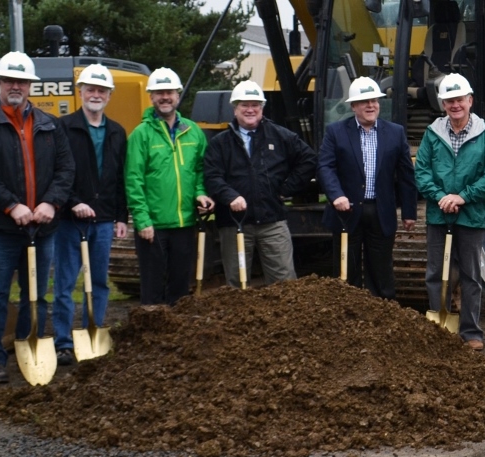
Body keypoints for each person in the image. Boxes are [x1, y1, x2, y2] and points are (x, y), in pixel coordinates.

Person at [0, 52, 74, 383]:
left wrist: (51, 203)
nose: (15, 86)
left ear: (30, 86)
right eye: (9, 80)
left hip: (43, 227)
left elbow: (66, 169)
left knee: (35, 293)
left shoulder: (49, 124)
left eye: (21, 81)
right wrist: (12, 205)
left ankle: (28, 344)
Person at [415, 73, 485, 351]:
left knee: (470, 275)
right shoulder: (432, 134)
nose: (455, 105)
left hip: (471, 215)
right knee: (435, 273)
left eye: (459, 100)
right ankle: (438, 327)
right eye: (449, 100)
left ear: (470, 100)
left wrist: (462, 197)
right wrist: (441, 197)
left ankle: (471, 332)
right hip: (439, 214)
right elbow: (422, 172)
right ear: (443, 104)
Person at [204, 80, 317, 288]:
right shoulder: (220, 143)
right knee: (237, 283)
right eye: (244, 105)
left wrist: (286, 189)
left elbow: (309, 159)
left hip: (272, 220)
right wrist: (230, 196)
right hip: (234, 223)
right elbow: (212, 177)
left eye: (255, 105)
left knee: (284, 282)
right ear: (235, 108)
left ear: (262, 108)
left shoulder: (280, 135)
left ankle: (283, 320)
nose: (250, 110)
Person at [52, 64, 128, 366]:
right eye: (90, 89)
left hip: (105, 220)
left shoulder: (117, 132)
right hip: (70, 221)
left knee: (99, 282)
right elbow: (55, 173)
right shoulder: (62, 127)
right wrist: (72, 202)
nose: (96, 95)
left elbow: (121, 177)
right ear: (80, 92)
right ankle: (63, 341)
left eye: (101, 90)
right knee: (66, 283)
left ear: (109, 96)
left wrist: (122, 216)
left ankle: (92, 331)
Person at [317, 77, 417, 298]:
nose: (371, 105)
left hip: (380, 212)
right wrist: (336, 196)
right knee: (346, 271)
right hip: (346, 212)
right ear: (353, 106)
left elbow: (406, 175)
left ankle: (382, 318)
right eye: (364, 102)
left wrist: (409, 212)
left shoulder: (395, 132)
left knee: (381, 273)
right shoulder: (336, 132)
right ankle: (347, 316)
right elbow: (325, 167)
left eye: (374, 100)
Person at [125, 67, 214, 305]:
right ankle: (151, 337)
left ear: (178, 95)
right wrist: (142, 220)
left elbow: (200, 170)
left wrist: (201, 193)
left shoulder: (193, 131)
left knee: (180, 288)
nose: (165, 97)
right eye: (159, 92)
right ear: (151, 96)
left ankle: (178, 338)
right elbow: (133, 180)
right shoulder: (141, 134)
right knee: (152, 288)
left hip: (185, 222)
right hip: (153, 226)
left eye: (170, 92)